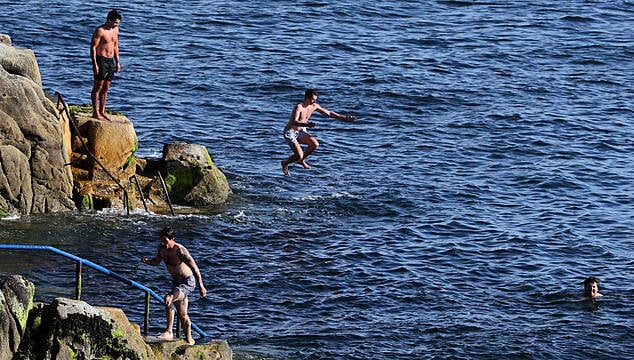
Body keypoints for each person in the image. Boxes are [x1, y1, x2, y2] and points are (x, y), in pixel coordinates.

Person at [141, 226, 207, 345]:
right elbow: (157, 261)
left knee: (168, 298)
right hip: (176, 283)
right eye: (161, 240)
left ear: (173, 239)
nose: (163, 243)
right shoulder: (162, 249)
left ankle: (169, 331)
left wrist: (201, 286)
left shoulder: (180, 250)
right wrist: (147, 262)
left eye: (165, 240)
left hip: (187, 282)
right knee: (182, 315)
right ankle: (189, 339)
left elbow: (194, 267)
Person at [281, 88, 357, 175]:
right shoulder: (299, 107)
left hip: (301, 131)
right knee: (299, 154)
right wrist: (308, 125)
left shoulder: (314, 106)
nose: (314, 102)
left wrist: (344, 118)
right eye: (312, 100)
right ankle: (285, 163)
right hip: (290, 132)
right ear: (307, 98)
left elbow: (329, 113)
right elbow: (294, 121)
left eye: (315, 100)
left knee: (315, 144)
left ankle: (301, 161)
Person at [90, 9, 122, 121]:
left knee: (106, 87)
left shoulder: (116, 30)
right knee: (98, 86)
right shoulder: (100, 31)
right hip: (101, 60)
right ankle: (95, 112)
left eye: (117, 23)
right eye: (114, 22)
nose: (116, 25)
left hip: (110, 60)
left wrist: (117, 62)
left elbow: (115, 46)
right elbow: (93, 48)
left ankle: (102, 111)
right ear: (109, 20)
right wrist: (95, 64)